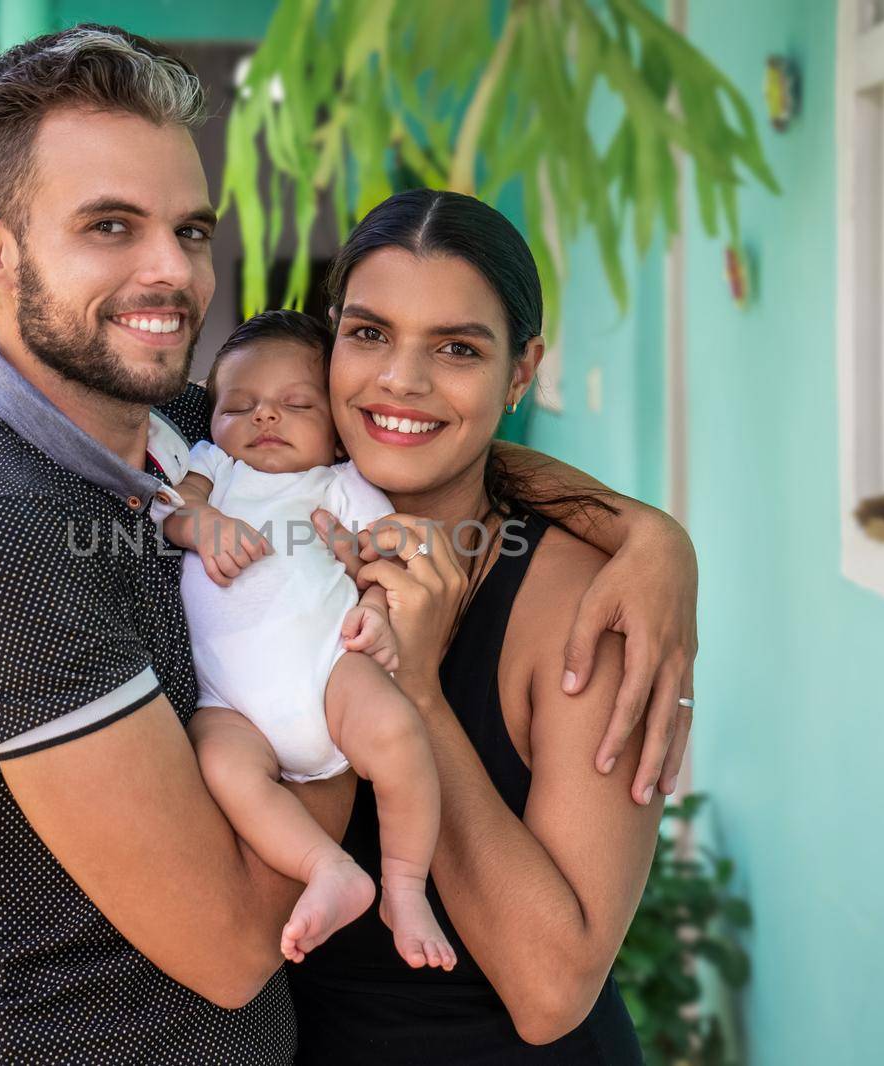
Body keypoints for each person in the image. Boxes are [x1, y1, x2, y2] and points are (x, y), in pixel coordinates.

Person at [0, 25, 696, 1064]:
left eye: (190, 229)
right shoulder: (4, 541)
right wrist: (370, 669)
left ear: (519, 372)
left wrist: (647, 537)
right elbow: (237, 938)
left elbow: (402, 447)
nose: (168, 272)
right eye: (109, 226)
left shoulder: (184, 437)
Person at [287, 188, 666, 1063]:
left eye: (457, 348)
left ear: (521, 373)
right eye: (370, 333)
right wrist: (653, 529)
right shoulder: (254, 509)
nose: (401, 381)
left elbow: (553, 989)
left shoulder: (588, 609)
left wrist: (418, 689)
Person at [164, 311, 454, 971]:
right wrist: (200, 522)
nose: (265, 417)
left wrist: (377, 612)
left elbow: (383, 565)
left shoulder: (343, 484)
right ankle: (330, 869)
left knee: (400, 735)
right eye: (240, 406)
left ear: (336, 429)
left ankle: (404, 885)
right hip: (229, 704)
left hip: (330, 675)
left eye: (296, 404)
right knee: (220, 764)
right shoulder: (214, 468)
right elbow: (167, 505)